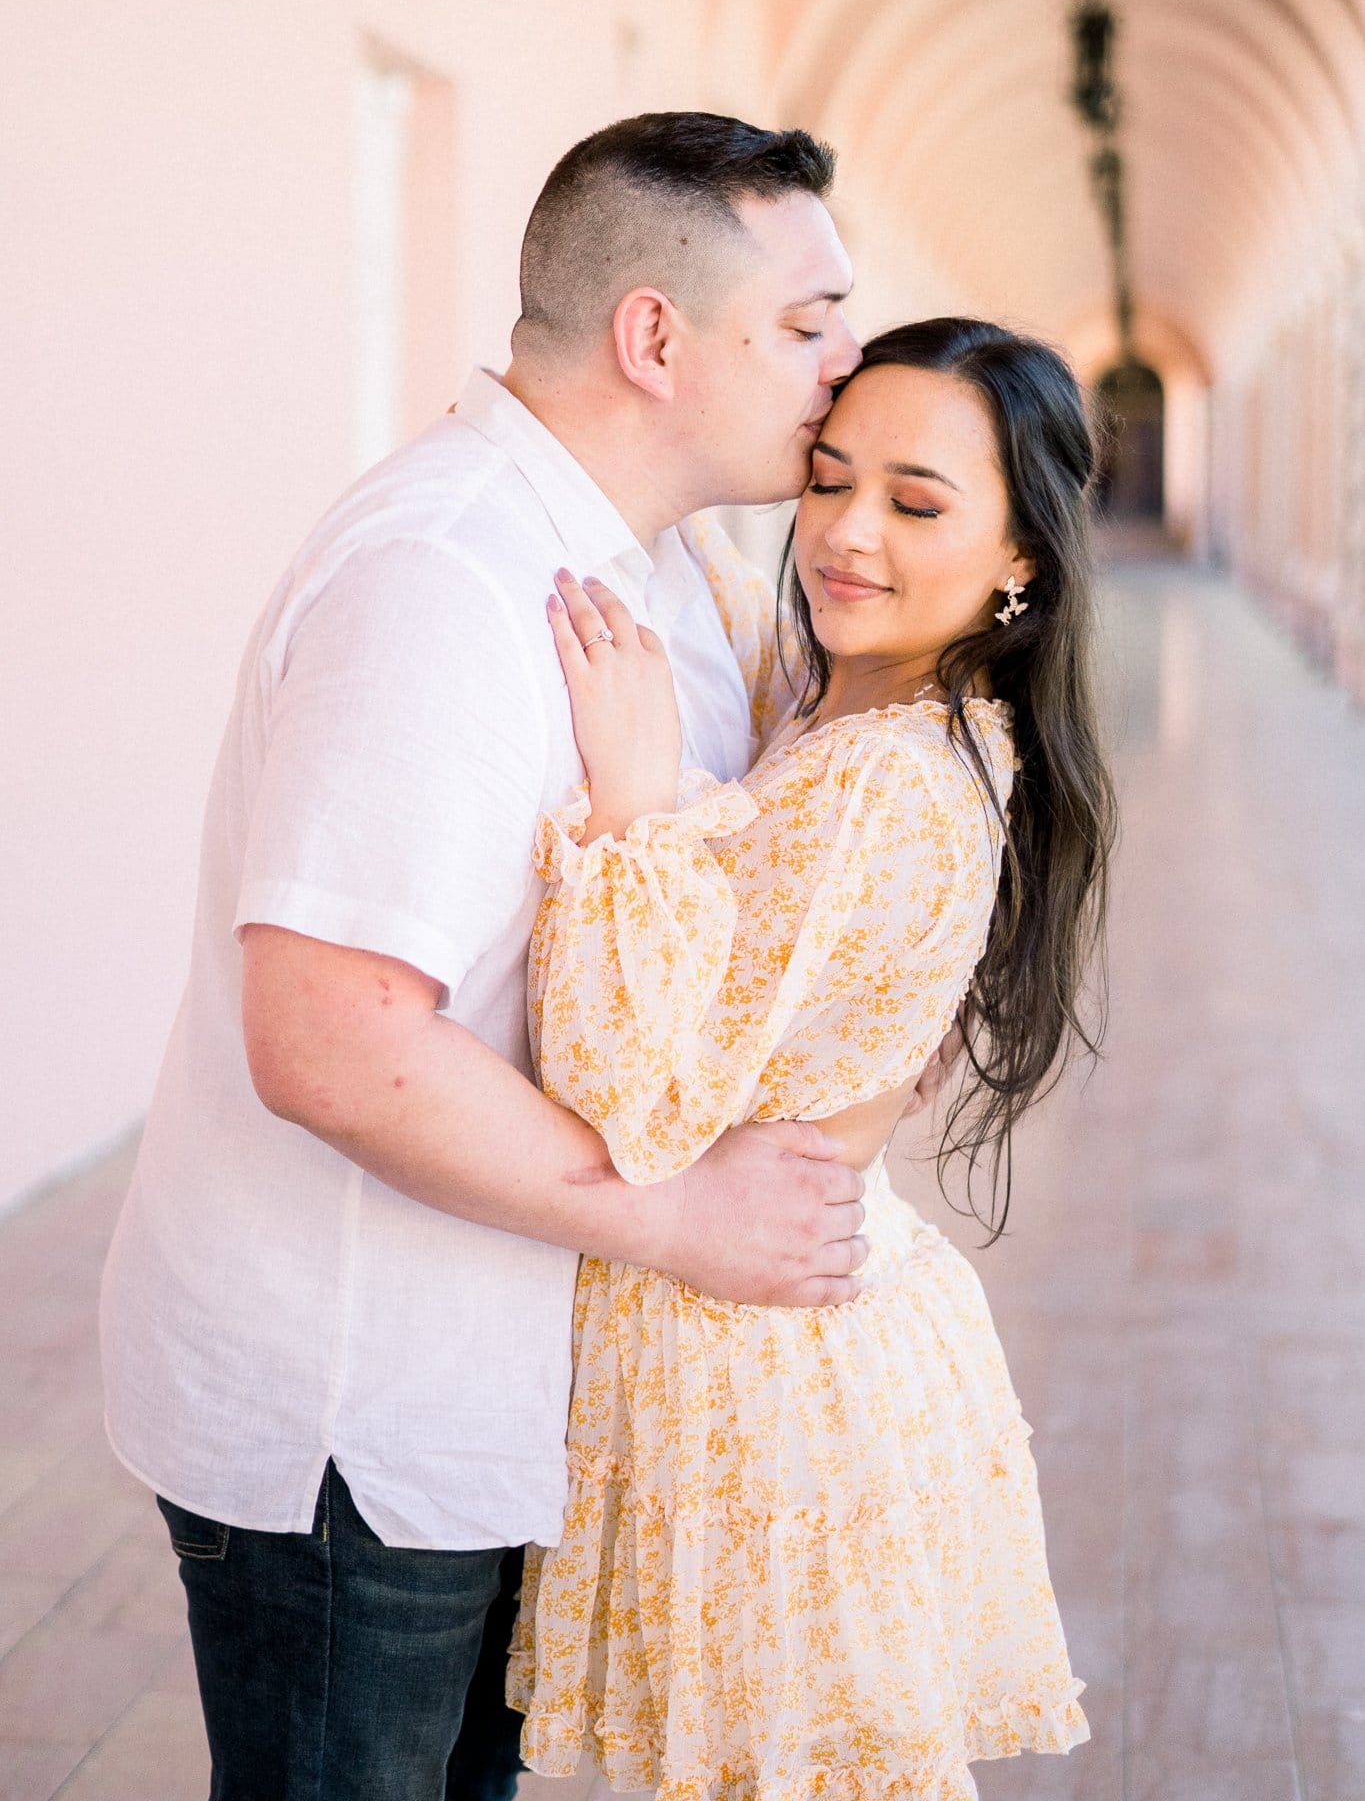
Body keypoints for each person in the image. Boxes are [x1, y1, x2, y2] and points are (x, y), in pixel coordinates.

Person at [97, 112, 917, 1800]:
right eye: (806, 323)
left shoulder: (664, 564)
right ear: (653, 338)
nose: (845, 364)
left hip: (504, 1383)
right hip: (359, 1411)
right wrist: (681, 1218)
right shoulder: (445, 582)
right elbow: (328, 1039)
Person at [509, 318, 1117, 1798]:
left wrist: (634, 811)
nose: (845, 537)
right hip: (786, 1334)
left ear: (1020, 556)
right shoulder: (845, 693)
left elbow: (635, 1099)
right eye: (827, 478)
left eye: (915, 505)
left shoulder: (889, 785)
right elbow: (715, 560)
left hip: (762, 1387)